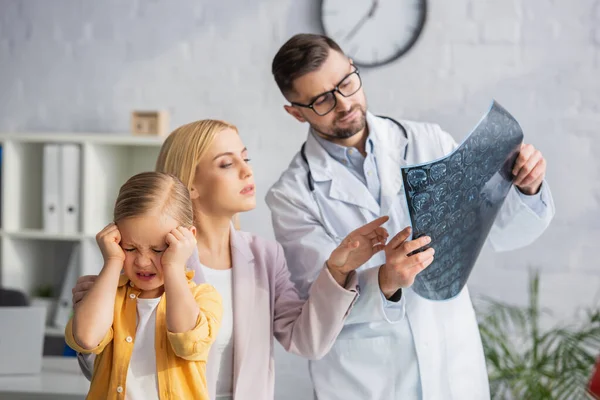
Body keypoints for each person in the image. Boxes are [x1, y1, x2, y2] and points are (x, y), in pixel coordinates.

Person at [265, 33, 556, 399]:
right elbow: (316, 310)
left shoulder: (427, 141)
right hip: (365, 381)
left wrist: (526, 185)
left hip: (452, 364)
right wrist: (383, 281)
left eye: (346, 82)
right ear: (295, 112)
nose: (344, 103)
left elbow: (497, 231)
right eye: (322, 99)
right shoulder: (292, 196)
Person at [72, 119, 390, 400]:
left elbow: (307, 342)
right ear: (189, 185)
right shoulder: (148, 262)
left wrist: (338, 268)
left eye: (245, 157)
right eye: (227, 163)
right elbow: (106, 363)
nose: (247, 170)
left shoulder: (264, 256)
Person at [66, 171, 223, 400]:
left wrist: (172, 265)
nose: (142, 261)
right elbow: (87, 339)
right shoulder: (107, 294)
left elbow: (188, 342)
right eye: (130, 248)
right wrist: (113, 261)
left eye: (158, 249)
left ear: (186, 239)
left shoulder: (203, 297)